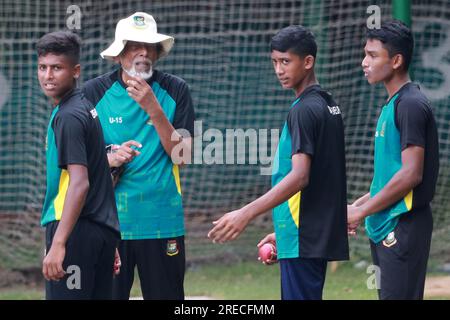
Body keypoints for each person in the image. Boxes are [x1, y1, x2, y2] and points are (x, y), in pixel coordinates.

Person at [207, 25, 349, 300]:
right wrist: (282, 233)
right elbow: (323, 179)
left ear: (308, 62)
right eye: (275, 62)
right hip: (306, 233)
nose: (279, 70)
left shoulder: (304, 110)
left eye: (286, 61)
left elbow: (300, 176)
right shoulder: (328, 105)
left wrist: (245, 213)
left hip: (303, 237)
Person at [82, 12, 195, 300]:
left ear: (157, 53)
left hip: (161, 221)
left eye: (149, 45)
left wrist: (153, 108)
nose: (143, 52)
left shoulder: (175, 90)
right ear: (119, 54)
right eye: (134, 45)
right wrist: (109, 157)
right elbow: (78, 158)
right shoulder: (93, 92)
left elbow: (183, 156)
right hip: (107, 223)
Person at [348, 20, 439, 300]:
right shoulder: (394, 103)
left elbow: (411, 175)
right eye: (365, 54)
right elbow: (390, 177)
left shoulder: (411, 104)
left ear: (397, 60)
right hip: (387, 223)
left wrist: (361, 212)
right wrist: (357, 206)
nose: (365, 62)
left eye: (373, 55)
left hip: (404, 225)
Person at [37, 31, 121, 299]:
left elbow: (81, 182)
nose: (48, 75)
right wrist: (106, 231)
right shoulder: (85, 107)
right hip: (97, 231)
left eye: (57, 68)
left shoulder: (69, 116)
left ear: (75, 71)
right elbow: (100, 175)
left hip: (74, 230)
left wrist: (60, 243)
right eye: (43, 67)